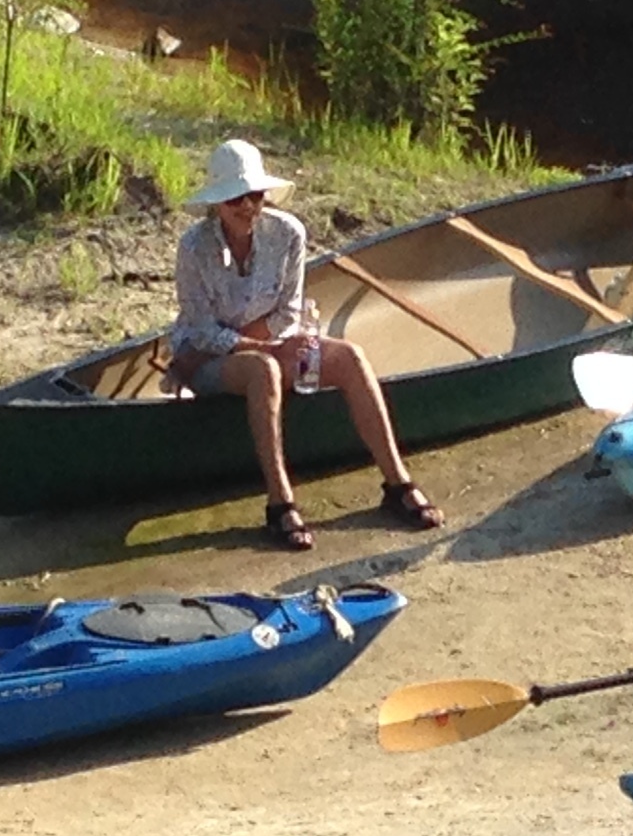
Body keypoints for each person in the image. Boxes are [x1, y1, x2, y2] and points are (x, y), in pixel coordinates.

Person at [168, 137, 444, 550]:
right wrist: (257, 348)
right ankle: (280, 503)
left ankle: (397, 482)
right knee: (264, 370)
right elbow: (201, 328)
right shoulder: (193, 247)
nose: (247, 206)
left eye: (255, 196)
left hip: (271, 342)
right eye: (235, 199)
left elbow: (288, 311)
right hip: (207, 357)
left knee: (349, 356)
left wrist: (271, 344)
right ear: (216, 204)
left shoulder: (288, 233)